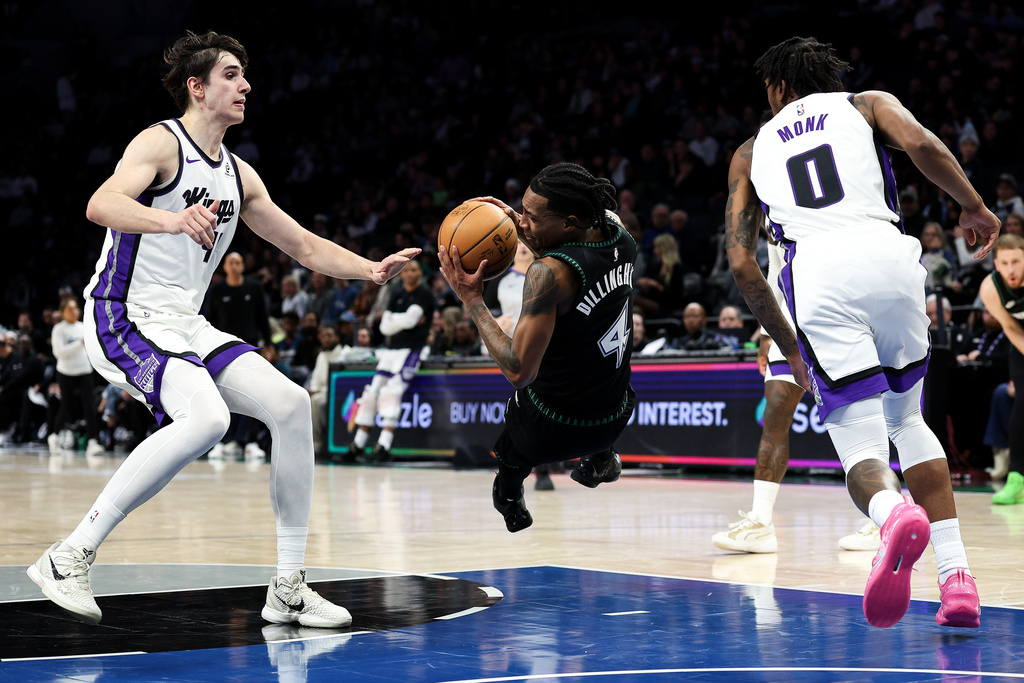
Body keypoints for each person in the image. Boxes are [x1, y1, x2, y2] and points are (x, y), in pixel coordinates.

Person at [26, 30, 418, 628]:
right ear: (197, 86)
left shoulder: (240, 175)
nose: (245, 85)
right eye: (231, 75)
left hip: (185, 322)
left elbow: (302, 244)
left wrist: (368, 269)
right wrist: (172, 219)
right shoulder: (161, 143)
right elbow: (101, 205)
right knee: (207, 419)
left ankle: (288, 586)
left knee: (289, 405)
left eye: (244, 75)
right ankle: (69, 555)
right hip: (122, 311)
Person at [726, 37, 998, 629]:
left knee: (860, 444)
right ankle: (957, 581)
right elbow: (923, 145)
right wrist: (973, 206)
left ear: (777, 87)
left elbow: (743, 264)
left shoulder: (751, 150)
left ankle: (891, 512)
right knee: (909, 419)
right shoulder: (865, 103)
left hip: (819, 275)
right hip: (891, 257)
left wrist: (789, 344)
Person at [438, 162, 637, 533]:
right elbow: (581, 248)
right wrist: (518, 221)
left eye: (530, 216)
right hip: (616, 416)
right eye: (521, 210)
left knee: (517, 429)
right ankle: (601, 459)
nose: (521, 222)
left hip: (550, 429)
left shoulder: (548, 273)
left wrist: (472, 300)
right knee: (596, 372)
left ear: (568, 223)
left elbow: (518, 371)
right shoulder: (620, 235)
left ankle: (510, 497)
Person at [713, 239, 879, 554]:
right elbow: (775, 270)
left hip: (839, 318)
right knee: (775, 414)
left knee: (856, 418)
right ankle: (761, 522)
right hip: (788, 325)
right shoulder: (770, 206)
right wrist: (765, 331)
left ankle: (881, 519)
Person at [346, 258, 433, 464]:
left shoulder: (425, 294)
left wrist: (397, 320)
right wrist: (403, 322)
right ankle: (358, 444)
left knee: (391, 393)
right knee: (372, 393)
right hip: (391, 351)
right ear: (401, 274)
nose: (409, 273)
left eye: (414, 270)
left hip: (412, 351)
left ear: (420, 273)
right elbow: (385, 327)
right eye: (406, 270)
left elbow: (408, 321)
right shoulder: (397, 292)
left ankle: (384, 445)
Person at [206, 251, 274, 460]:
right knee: (224, 396)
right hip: (222, 349)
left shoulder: (254, 288)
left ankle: (250, 442)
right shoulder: (216, 290)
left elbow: (263, 317)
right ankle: (224, 441)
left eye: (238, 262)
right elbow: (208, 321)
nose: (234, 266)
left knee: (252, 394)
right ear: (224, 267)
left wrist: (269, 344)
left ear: (243, 266)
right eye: (231, 263)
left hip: (249, 349)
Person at [978, 234, 1024, 504]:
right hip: (1019, 342)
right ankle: (1016, 477)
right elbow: (1009, 327)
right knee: (1021, 404)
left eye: (1016, 261)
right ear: (996, 264)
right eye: (1004, 263)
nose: (1010, 269)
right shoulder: (990, 288)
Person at [47, 298, 105, 458]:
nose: (74, 311)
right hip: (65, 372)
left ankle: (93, 442)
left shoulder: (83, 326)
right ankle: (54, 436)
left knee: (89, 407)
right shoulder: (59, 329)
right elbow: (58, 353)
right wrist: (79, 343)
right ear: (63, 312)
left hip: (84, 371)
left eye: (75, 308)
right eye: (70, 309)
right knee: (66, 406)